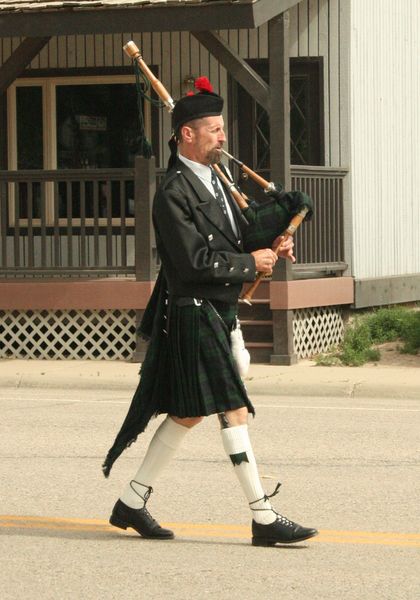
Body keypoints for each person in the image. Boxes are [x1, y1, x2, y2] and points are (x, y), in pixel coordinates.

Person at [103, 78, 317, 546]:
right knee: (232, 407)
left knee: (186, 413)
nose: (222, 138)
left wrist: (273, 240)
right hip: (192, 312)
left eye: (222, 130)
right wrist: (249, 264)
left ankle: (132, 502)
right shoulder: (172, 194)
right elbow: (193, 263)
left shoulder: (216, 182)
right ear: (187, 135)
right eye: (215, 130)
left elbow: (239, 237)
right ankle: (263, 517)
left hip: (216, 312)